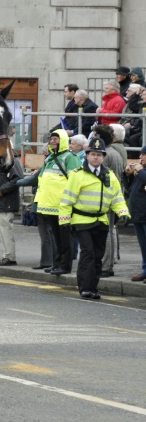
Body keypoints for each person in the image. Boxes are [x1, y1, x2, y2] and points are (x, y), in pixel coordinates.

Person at [58, 136, 131, 299]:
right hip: (82, 221)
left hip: (101, 221)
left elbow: (117, 197)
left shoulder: (109, 175)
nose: (96, 157)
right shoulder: (77, 175)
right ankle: (84, 287)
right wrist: (64, 220)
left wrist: (123, 213)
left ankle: (93, 287)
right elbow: (67, 199)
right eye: (93, 154)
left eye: (99, 154)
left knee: (98, 256)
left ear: (103, 157)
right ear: (87, 155)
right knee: (88, 254)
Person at [37, 129, 82, 275]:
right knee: (56, 237)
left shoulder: (70, 157)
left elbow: (76, 182)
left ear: (63, 140)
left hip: (63, 205)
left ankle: (65, 265)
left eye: (56, 139)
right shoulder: (50, 158)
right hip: (50, 205)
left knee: (65, 237)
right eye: (51, 139)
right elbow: (42, 179)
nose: (52, 141)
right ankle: (56, 263)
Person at [95, 124, 127, 278]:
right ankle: (109, 262)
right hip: (113, 196)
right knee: (111, 231)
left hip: (106, 199)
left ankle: (106, 265)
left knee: (107, 232)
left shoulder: (105, 155)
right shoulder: (114, 152)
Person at [0, 151, 24, 266]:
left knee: (6, 229)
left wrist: (2, 189)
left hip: (6, 201)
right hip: (2, 201)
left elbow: (18, 179)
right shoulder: (3, 159)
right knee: (3, 229)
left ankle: (10, 256)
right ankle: (7, 255)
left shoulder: (12, 161)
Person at [125, 147, 146, 282]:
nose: (141, 157)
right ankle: (144, 270)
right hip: (138, 214)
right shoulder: (140, 172)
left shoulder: (142, 171)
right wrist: (127, 175)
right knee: (143, 246)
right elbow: (130, 189)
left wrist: (141, 171)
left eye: (144, 154)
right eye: (141, 154)